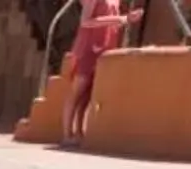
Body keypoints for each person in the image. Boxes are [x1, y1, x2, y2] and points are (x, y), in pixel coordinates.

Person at [60, 0, 139, 145]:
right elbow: (85, 21)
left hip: (105, 47)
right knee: (77, 90)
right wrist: (120, 19)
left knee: (88, 95)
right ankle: (67, 134)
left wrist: (126, 20)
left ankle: (79, 132)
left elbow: (112, 21)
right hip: (88, 47)